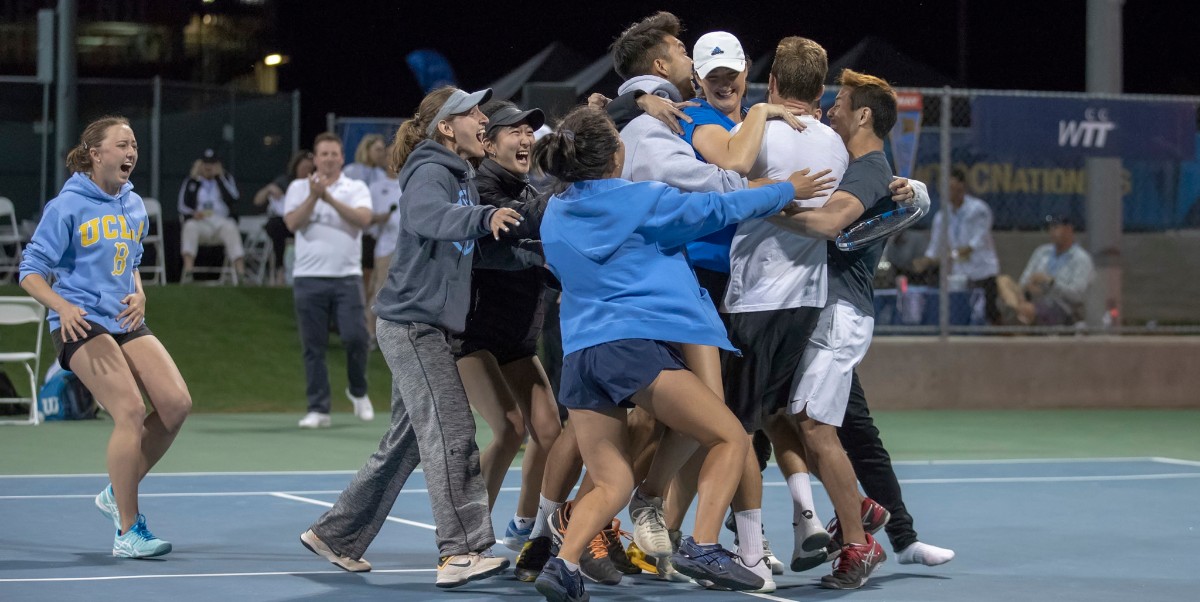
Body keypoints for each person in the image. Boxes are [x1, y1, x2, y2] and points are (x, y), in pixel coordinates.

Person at [531, 105, 828, 602]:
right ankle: (704, 545)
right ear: (618, 155)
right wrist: (786, 189)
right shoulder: (643, 201)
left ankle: (563, 565)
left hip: (580, 356)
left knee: (612, 482)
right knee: (729, 437)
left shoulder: (555, 214)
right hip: (629, 348)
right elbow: (720, 210)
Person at [300, 86, 522, 589]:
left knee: (405, 444)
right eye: (473, 112)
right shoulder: (430, 169)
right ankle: (461, 551)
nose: (484, 118)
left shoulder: (460, 176)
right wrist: (485, 216)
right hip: (411, 324)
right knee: (452, 431)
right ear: (446, 126)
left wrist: (530, 255)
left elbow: (465, 247)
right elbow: (427, 218)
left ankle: (337, 535)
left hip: (426, 325)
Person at [768, 67, 924, 590]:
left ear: (862, 115)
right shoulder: (860, 164)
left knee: (815, 426)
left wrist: (758, 205)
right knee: (791, 421)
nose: (829, 109)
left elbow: (829, 224)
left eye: (840, 103)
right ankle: (861, 512)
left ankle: (860, 544)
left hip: (841, 315)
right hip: (821, 310)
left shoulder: (870, 168)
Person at [19, 115, 192, 558]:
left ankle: (116, 491)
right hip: (78, 322)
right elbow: (30, 272)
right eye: (122, 145)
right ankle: (128, 532)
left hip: (123, 318)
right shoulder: (67, 206)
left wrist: (140, 295)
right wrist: (61, 305)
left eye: (134, 144)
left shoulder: (133, 206)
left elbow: (130, 260)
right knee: (130, 409)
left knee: (175, 405)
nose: (131, 152)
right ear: (96, 154)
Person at [453, 100, 563, 554]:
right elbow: (519, 230)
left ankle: (523, 524)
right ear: (489, 141)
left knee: (550, 430)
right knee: (510, 427)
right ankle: (466, 535)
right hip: (475, 334)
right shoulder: (479, 186)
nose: (525, 139)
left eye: (529, 132)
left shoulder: (526, 188)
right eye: (513, 131)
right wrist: (574, 189)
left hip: (518, 339)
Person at [283, 133, 375, 428]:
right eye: (324, 154)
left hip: (346, 277)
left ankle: (358, 390)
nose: (329, 158)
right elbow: (292, 223)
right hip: (308, 277)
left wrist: (329, 198)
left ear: (342, 158)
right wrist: (313, 195)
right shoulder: (299, 187)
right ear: (315, 157)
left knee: (356, 338)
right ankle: (319, 409)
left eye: (334, 153)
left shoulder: (355, 187)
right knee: (313, 345)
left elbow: (363, 219)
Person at [916, 167, 1001, 323]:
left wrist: (950, 256)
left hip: (982, 272)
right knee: (960, 316)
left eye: (950, 186)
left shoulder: (978, 210)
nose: (946, 190)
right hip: (959, 275)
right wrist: (924, 261)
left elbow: (974, 245)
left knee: (989, 315)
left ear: (961, 186)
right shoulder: (942, 216)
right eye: (943, 187)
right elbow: (934, 248)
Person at [997, 214, 1095, 325]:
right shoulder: (1042, 252)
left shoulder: (1080, 258)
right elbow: (1024, 280)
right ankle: (1016, 311)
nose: (1052, 231)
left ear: (1069, 229)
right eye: (1050, 227)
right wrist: (1028, 286)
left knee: (1028, 309)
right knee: (1003, 281)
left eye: (1056, 227)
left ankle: (1016, 315)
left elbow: (1078, 295)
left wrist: (1050, 283)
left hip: (1059, 306)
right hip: (1033, 297)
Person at [178, 149, 246, 283]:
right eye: (205, 163)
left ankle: (241, 273)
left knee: (231, 227)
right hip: (201, 222)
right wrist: (193, 213)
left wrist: (219, 178)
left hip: (221, 222)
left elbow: (234, 198)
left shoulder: (225, 179)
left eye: (212, 163)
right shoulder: (191, 181)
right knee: (189, 227)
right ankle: (188, 271)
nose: (208, 167)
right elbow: (181, 205)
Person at [253, 150, 314, 285]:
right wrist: (269, 189)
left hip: (306, 223)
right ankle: (279, 270)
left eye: (309, 169)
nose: (306, 171)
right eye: (303, 168)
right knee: (276, 227)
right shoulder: (285, 181)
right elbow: (258, 201)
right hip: (284, 222)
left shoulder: (314, 184)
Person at [343, 134, 394, 293]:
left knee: (371, 275)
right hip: (353, 230)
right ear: (366, 150)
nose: (381, 154)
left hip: (373, 233)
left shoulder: (381, 174)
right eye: (377, 150)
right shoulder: (351, 171)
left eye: (382, 150)